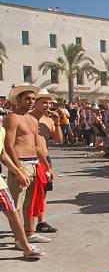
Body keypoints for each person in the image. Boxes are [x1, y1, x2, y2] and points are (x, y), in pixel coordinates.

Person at [3, 84, 55, 246]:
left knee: (31, 202)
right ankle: (19, 239)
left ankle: (30, 233)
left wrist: (47, 166)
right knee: (16, 205)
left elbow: (37, 146)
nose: (31, 102)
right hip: (21, 164)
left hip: (34, 164)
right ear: (18, 100)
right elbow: (8, 146)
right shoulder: (12, 118)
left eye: (33, 99)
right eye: (27, 99)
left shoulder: (32, 120)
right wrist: (18, 169)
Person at [30, 89, 62, 234]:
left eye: (49, 102)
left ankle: (41, 222)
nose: (47, 105)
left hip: (45, 158)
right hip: (31, 158)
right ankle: (27, 225)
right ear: (36, 102)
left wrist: (57, 123)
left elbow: (59, 140)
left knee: (43, 193)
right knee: (30, 194)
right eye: (44, 102)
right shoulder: (28, 118)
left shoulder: (49, 120)